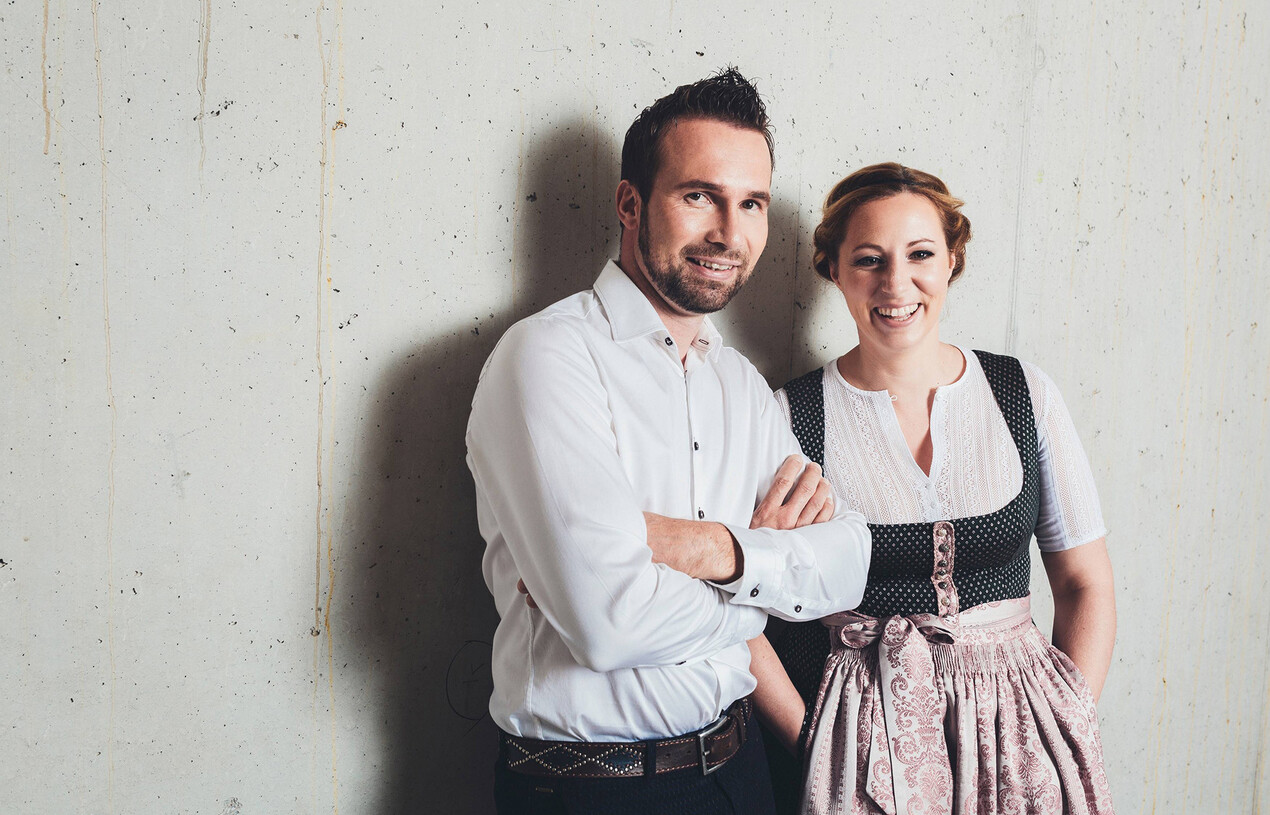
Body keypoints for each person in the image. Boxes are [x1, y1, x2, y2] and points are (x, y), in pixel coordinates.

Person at [465, 69, 872, 815]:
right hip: (591, 789)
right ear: (631, 203)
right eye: (699, 196)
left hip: (739, 769)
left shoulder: (742, 386)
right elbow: (608, 622)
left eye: (751, 203)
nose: (729, 231)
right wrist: (765, 588)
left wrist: (704, 549)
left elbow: (848, 565)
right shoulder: (548, 359)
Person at [749, 163, 1117, 814]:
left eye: (920, 253)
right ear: (833, 268)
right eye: (869, 259)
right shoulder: (785, 418)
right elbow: (740, 615)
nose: (897, 282)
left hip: (1019, 738)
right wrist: (810, 737)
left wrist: (1066, 718)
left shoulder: (1022, 395)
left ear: (953, 259)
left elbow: (1085, 581)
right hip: (858, 745)